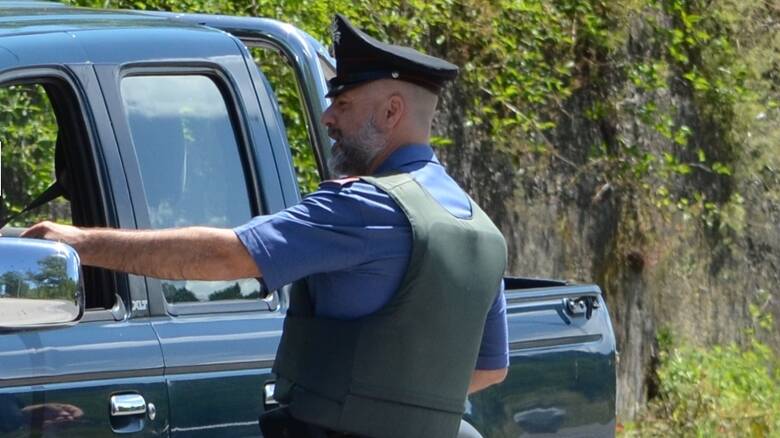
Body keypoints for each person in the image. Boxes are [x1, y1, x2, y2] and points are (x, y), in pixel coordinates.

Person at [22, 14, 509, 438]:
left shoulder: (364, 205)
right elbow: (490, 367)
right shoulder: (480, 228)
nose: (328, 117)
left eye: (343, 103)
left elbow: (226, 256)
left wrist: (78, 242)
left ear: (391, 111)